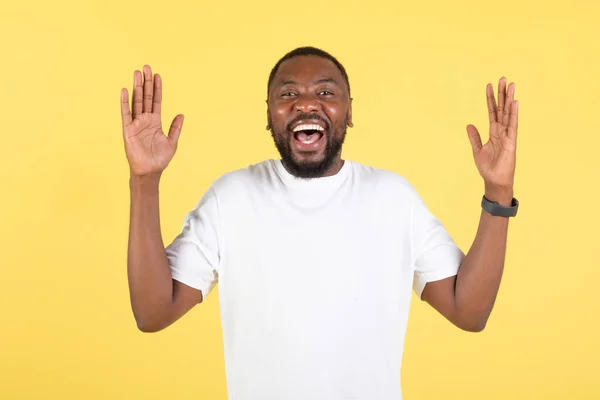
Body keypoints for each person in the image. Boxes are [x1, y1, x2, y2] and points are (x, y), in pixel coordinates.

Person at [121, 46, 519, 399]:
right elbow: (154, 314)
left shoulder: (392, 198)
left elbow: (469, 312)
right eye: (289, 93)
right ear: (269, 114)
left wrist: (498, 190)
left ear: (349, 113)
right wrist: (145, 179)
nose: (306, 104)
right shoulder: (232, 197)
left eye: (325, 93)